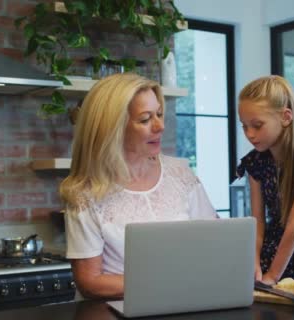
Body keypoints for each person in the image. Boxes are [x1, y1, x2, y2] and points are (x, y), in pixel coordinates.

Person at [60, 73, 217, 300]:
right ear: (112, 128)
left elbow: (214, 242)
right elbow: (90, 283)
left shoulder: (181, 174)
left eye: (160, 115)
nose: (160, 126)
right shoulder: (84, 192)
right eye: (145, 119)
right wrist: (174, 281)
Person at [236, 75, 294, 284]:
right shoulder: (256, 161)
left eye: (257, 125)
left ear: (286, 117)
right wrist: (254, 263)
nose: (249, 134)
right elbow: (258, 221)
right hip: (267, 254)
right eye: (244, 126)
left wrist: (272, 276)